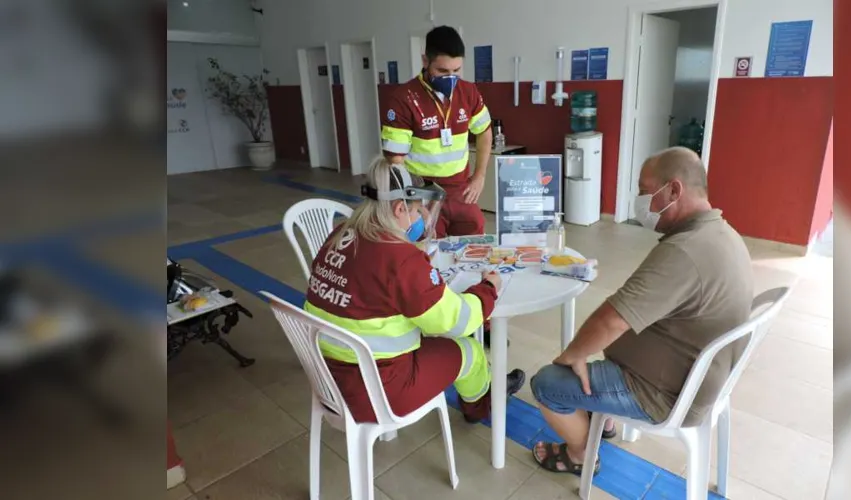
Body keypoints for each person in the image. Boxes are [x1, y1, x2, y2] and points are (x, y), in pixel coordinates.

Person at [528, 147, 754, 474]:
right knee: (593, 352)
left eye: (644, 191)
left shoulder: (685, 251)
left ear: (674, 190)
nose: (639, 201)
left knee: (548, 383)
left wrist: (572, 356)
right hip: (690, 372)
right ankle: (603, 419)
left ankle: (579, 456)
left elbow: (612, 320)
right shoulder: (722, 233)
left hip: (662, 392)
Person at [304, 158, 524, 424]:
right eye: (418, 210)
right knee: (470, 350)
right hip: (377, 391)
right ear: (399, 208)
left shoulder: (340, 234)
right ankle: (480, 407)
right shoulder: (399, 259)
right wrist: (488, 288)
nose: (421, 218)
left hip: (328, 378)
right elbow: (457, 321)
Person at [379, 25, 493, 238]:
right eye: (442, 71)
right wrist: (412, 201)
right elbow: (395, 160)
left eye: (456, 70)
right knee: (429, 245)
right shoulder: (403, 98)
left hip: (460, 188)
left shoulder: (468, 92)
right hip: (423, 190)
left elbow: (484, 131)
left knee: (475, 237)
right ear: (425, 61)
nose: (451, 77)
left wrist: (480, 176)